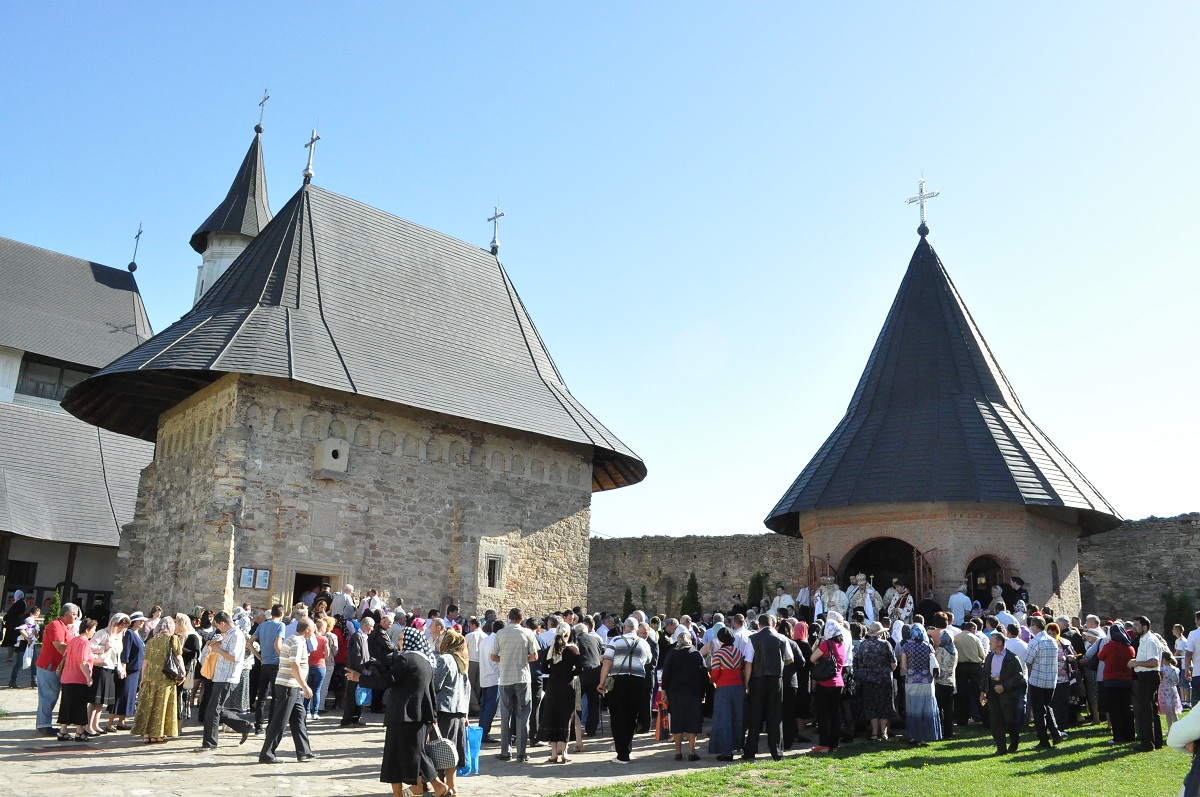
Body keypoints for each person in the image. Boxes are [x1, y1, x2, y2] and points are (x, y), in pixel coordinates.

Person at [381, 627, 449, 797]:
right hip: (419, 715)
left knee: (400, 755)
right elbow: (430, 691)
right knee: (416, 753)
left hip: (404, 715)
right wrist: (432, 716)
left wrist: (360, 678)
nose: (399, 642)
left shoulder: (407, 660)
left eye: (402, 639)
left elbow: (387, 680)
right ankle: (432, 785)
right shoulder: (425, 661)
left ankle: (428, 786)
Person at [258, 617, 316, 763]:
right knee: (280, 720)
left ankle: (304, 751)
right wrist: (305, 685)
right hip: (289, 685)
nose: (314, 631)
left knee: (299, 718)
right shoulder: (296, 641)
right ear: (307, 629)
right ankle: (267, 754)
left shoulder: (294, 639)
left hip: (292, 685)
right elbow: (294, 664)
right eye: (313, 628)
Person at [596, 616, 652, 763]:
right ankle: (627, 750)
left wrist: (601, 683)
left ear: (624, 628)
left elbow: (607, 663)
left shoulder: (615, 641)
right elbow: (648, 660)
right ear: (636, 628)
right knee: (632, 716)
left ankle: (622, 753)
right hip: (637, 681)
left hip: (618, 681)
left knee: (617, 716)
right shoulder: (644, 644)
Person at [196, 610, 254, 750]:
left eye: (217, 625)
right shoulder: (228, 634)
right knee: (215, 708)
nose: (217, 628)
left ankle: (210, 743)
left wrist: (217, 648)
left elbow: (233, 657)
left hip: (228, 676)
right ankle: (243, 726)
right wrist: (216, 644)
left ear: (222, 623)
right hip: (220, 675)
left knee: (213, 710)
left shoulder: (237, 635)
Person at [742, 613, 792, 761]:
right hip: (776, 679)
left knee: (755, 715)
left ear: (760, 624)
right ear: (773, 624)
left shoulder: (753, 639)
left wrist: (746, 683)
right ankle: (776, 751)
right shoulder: (782, 639)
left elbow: (748, 663)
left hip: (758, 679)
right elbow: (790, 659)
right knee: (775, 716)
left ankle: (750, 751)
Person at [492, 607, 539, 763]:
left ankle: (506, 751)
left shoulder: (500, 633)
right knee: (523, 715)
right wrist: (522, 660)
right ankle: (521, 752)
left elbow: (493, 656)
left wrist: (505, 661)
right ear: (522, 618)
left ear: (509, 618)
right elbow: (534, 656)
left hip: (506, 677)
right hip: (523, 676)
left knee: (505, 715)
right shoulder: (528, 633)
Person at [661, 630, 707, 762]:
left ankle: (678, 752)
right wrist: (704, 692)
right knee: (693, 721)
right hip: (694, 693)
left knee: (677, 721)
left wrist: (664, 692)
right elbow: (704, 675)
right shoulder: (696, 654)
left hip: (675, 693)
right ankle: (692, 752)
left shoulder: (672, 654)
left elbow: (666, 674)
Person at [34, 601, 79, 736]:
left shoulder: (67, 627)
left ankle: (46, 723)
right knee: (48, 695)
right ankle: (43, 725)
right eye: (75, 615)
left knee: (53, 695)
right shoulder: (56, 625)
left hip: (59, 666)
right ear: (67, 614)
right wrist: (77, 654)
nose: (76, 617)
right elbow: (60, 646)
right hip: (49, 665)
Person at [433, 630, 470, 791]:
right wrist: (466, 714)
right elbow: (466, 689)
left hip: (444, 710)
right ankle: (452, 786)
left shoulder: (445, 659)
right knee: (453, 750)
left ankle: (441, 786)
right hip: (459, 711)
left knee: (441, 750)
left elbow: (436, 685)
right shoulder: (462, 660)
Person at [1024, 616, 1066, 750]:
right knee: (1047, 707)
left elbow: (1028, 661)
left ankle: (1044, 740)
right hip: (1051, 681)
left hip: (1037, 679)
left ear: (1035, 626)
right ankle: (1055, 733)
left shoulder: (1035, 641)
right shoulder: (1053, 641)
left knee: (1038, 711)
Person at [540, 622, 580, 763]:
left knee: (553, 716)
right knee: (566, 718)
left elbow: (544, 669)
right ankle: (564, 752)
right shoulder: (573, 650)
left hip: (552, 686)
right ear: (568, 635)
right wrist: (569, 672)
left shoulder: (550, 650)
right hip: (567, 685)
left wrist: (555, 672)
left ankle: (553, 753)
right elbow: (580, 669)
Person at [982, 631, 1027, 755]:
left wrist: (1004, 687)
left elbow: (1018, 677)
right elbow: (985, 675)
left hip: (1007, 692)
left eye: (992, 641)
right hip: (992, 690)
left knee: (1009, 718)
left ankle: (1014, 742)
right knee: (995, 719)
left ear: (999, 643)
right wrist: (983, 691)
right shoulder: (990, 657)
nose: (990, 643)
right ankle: (1001, 747)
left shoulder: (1012, 658)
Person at [900, 624, 942, 745]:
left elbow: (903, 665)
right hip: (927, 682)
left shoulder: (906, 646)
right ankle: (925, 737)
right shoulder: (928, 646)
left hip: (912, 681)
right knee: (926, 708)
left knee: (913, 708)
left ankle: (914, 736)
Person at [707, 627, 746, 761]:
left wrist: (711, 679)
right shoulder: (738, 652)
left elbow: (715, 674)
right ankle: (737, 746)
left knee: (723, 719)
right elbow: (742, 668)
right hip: (738, 688)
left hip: (724, 689)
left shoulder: (718, 654)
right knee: (736, 718)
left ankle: (726, 751)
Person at [87, 613, 129, 736]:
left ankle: (96, 724)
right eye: (120, 626)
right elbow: (90, 646)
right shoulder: (103, 633)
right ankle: (88, 725)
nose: (121, 629)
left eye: (123, 626)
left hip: (111, 668)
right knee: (95, 700)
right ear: (114, 623)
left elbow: (117, 654)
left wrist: (120, 668)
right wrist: (104, 647)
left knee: (101, 700)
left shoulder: (119, 636)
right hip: (100, 667)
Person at [56, 618, 97, 741]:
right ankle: (79, 731)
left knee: (66, 704)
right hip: (78, 678)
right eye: (93, 629)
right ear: (87, 629)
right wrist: (88, 677)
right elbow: (82, 662)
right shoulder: (84, 643)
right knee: (80, 705)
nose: (94, 632)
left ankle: (63, 731)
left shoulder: (73, 640)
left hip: (67, 677)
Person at [810, 617, 847, 752]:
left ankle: (824, 744)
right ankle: (834, 744)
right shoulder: (842, 646)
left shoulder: (826, 644)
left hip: (825, 683)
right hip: (838, 683)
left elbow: (812, 658)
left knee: (823, 714)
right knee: (835, 715)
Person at [1130, 615, 1166, 751]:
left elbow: (1153, 662)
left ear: (1145, 627)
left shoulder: (1150, 640)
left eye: (1137, 626)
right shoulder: (1144, 640)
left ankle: (1147, 743)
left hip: (1148, 676)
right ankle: (1156, 740)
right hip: (1146, 676)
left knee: (1145, 711)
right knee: (1150, 709)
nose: (1134, 629)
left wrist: (1135, 663)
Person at [856, 620, 897, 741]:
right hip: (884, 679)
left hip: (868, 679)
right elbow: (893, 664)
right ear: (879, 633)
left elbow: (860, 662)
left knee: (871, 705)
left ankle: (874, 733)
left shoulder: (863, 645)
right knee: (885, 705)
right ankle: (884, 733)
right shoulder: (885, 644)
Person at [251, 604, 287, 734]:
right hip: (276, 663)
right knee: (275, 697)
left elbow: (249, 643)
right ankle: (271, 726)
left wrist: (259, 656)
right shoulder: (280, 625)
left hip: (264, 663)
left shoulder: (262, 625)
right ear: (281, 614)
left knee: (262, 696)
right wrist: (284, 658)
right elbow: (277, 644)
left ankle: (258, 726)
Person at [1099, 622, 1136, 744]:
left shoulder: (1109, 646)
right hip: (1126, 680)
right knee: (1127, 708)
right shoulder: (1129, 647)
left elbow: (1100, 656)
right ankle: (1130, 735)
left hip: (1111, 680)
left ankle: (1118, 737)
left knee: (1115, 710)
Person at [112, 611, 145, 730]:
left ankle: (122, 721)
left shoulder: (137, 634)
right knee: (123, 694)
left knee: (130, 695)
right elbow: (126, 650)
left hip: (136, 669)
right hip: (130, 668)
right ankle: (113, 722)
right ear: (135, 621)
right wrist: (124, 666)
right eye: (140, 620)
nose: (142, 623)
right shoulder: (130, 633)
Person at [575, 618, 603, 739]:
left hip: (581, 674)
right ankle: (592, 729)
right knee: (594, 702)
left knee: (577, 703)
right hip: (595, 672)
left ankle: (575, 729)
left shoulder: (576, 640)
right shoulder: (596, 639)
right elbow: (601, 655)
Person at [341, 616, 372, 727]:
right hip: (354, 671)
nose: (371, 629)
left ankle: (356, 718)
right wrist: (363, 669)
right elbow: (356, 655)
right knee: (352, 696)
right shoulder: (357, 636)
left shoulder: (364, 637)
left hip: (362, 672)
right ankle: (347, 720)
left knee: (360, 695)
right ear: (365, 626)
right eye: (371, 627)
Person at [477, 619, 503, 742]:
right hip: (494, 677)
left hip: (484, 677)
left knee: (484, 707)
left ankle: (481, 730)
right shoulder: (497, 641)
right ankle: (484, 733)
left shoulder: (484, 640)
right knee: (490, 708)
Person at [933, 629, 958, 738]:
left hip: (940, 681)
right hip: (951, 681)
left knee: (939, 708)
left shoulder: (940, 650)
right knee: (948, 709)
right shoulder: (955, 650)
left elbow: (937, 665)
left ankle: (939, 730)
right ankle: (949, 732)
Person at [305, 616, 330, 720]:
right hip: (320, 665)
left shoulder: (310, 638)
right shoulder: (324, 639)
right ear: (322, 628)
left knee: (307, 689)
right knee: (317, 690)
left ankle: (306, 712)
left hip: (309, 665)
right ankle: (315, 712)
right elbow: (327, 655)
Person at [9, 605, 39, 689]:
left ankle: (34, 680)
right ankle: (12, 681)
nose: (37, 616)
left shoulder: (35, 623)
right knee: (19, 663)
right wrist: (28, 639)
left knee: (34, 662)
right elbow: (22, 630)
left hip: (32, 645)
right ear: (31, 613)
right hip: (23, 644)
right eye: (36, 614)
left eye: (38, 615)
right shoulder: (26, 621)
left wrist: (36, 632)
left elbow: (36, 635)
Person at [1161, 650, 1185, 732]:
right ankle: (1177, 729)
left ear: (1164, 659)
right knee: (1173, 712)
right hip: (1173, 689)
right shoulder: (1175, 669)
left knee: (1168, 712)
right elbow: (1177, 681)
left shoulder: (1162, 670)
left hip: (1164, 690)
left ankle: (1170, 729)